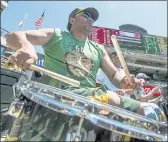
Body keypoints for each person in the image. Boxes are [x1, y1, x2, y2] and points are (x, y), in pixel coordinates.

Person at [6, 7, 158, 119]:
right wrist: (26, 46)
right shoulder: (57, 35)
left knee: (151, 110)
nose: (91, 19)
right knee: (111, 98)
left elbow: (114, 76)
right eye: (86, 15)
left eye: (93, 18)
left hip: (90, 97)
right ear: (72, 20)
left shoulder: (99, 49)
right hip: (58, 94)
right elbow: (14, 35)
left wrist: (125, 81)